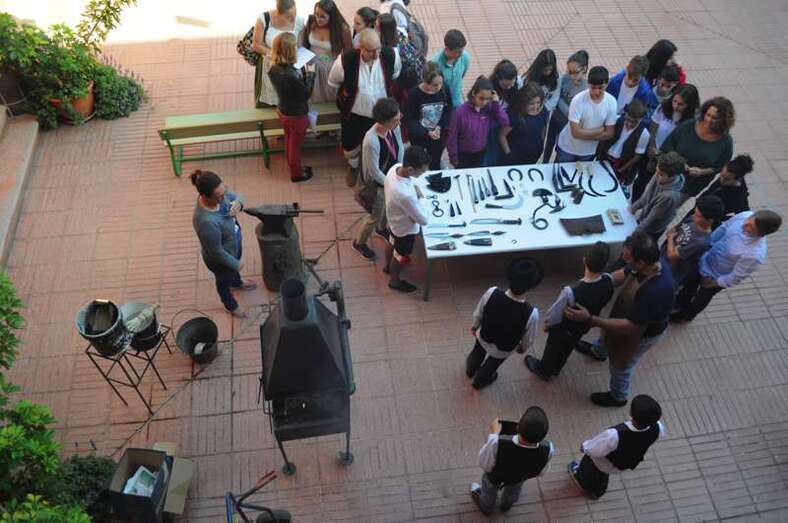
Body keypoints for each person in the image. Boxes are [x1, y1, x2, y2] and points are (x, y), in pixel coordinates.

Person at [569, 232, 674, 407]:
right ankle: (599, 352)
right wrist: (597, 282)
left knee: (621, 365)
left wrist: (591, 319)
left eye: (627, 259)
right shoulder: (648, 263)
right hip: (628, 315)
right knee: (608, 333)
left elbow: (629, 327)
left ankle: (618, 396)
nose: (625, 261)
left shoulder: (654, 291)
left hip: (642, 334)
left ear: (640, 263)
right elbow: (623, 273)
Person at [671, 210, 782, 323]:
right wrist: (707, 245)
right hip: (704, 259)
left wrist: (716, 283)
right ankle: (680, 302)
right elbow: (724, 228)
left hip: (714, 276)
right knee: (689, 283)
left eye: (751, 228)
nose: (745, 224)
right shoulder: (744, 215)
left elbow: (737, 276)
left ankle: (686, 316)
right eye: (749, 220)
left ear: (761, 234)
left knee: (702, 297)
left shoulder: (754, 255)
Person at [525, 242, 614, 381]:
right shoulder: (608, 281)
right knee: (568, 347)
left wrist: (548, 324)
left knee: (553, 349)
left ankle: (544, 370)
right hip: (583, 326)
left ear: (584, 260)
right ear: (606, 264)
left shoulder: (571, 291)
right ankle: (557, 368)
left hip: (563, 329)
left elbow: (555, 312)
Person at [329, 29, 401, 185]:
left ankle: (377, 170)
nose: (376, 54)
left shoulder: (391, 55)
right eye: (370, 51)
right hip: (355, 115)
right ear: (360, 47)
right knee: (350, 143)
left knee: (381, 143)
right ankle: (354, 167)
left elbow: (395, 75)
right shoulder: (345, 60)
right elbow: (333, 82)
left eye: (378, 49)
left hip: (382, 116)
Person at [569, 395, 664, 499]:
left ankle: (581, 480)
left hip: (603, 462)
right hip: (626, 462)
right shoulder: (658, 428)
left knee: (590, 471)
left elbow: (595, 449)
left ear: (631, 413)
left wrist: (585, 447)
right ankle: (598, 492)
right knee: (604, 475)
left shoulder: (614, 434)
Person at [466, 258, 542, 389]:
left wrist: (475, 326)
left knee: (476, 354)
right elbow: (529, 337)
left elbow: (479, 312)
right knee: (492, 365)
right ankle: (479, 382)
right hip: (504, 348)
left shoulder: (492, 292)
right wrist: (523, 347)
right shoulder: (532, 313)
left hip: (484, 336)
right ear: (532, 286)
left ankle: (470, 370)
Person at [190, 170, 256, 318]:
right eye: (219, 196)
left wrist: (238, 203)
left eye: (224, 191)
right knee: (223, 282)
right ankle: (230, 305)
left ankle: (237, 282)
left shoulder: (219, 194)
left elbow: (237, 196)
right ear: (205, 196)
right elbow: (216, 252)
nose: (224, 197)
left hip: (233, 244)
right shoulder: (205, 222)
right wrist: (236, 264)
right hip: (221, 261)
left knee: (233, 271)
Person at [471, 407, 554, 515]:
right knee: (514, 489)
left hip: (495, 476)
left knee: (489, 489)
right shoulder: (548, 448)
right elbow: (541, 471)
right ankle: (506, 504)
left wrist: (494, 434)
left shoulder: (496, 442)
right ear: (543, 436)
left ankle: (486, 507)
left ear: (518, 427)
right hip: (519, 477)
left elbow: (483, 463)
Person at [352, 98, 404, 260]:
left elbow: (400, 147)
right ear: (383, 121)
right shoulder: (371, 140)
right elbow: (374, 172)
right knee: (374, 216)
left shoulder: (394, 127)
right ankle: (359, 242)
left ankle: (381, 229)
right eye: (395, 120)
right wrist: (392, 183)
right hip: (379, 184)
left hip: (391, 178)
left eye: (399, 118)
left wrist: (399, 170)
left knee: (387, 208)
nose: (399, 122)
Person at [660, 96, 735, 206]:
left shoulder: (726, 142)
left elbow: (721, 166)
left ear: (724, 120)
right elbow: (668, 145)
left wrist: (702, 172)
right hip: (669, 176)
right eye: (708, 115)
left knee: (668, 208)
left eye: (715, 118)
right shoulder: (688, 126)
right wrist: (678, 162)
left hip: (691, 185)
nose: (709, 120)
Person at [632, 84, 699, 202]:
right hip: (653, 151)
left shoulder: (692, 122)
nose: (676, 106)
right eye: (675, 101)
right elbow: (653, 128)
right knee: (641, 181)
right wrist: (652, 152)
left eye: (681, 104)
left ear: (689, 105)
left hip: (670, 161)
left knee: (659, 189)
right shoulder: (663, 108)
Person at [383, 145, 430, 293]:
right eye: (421, 171)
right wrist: (422, 197)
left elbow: (411, 185)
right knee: (401, 255)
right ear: (410, 169)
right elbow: (423, 219)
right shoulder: (405, 195)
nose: (423, 173)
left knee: (391, 241)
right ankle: (395, 281)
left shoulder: (394, 169)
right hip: (405, 229)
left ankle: (388, 267)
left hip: (393, 220)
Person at [268, 33, 314, 183]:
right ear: (290, 51)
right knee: (295, 146)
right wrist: (311, 75)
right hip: (297, 115)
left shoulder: (274, 68)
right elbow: (306, 94)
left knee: (289, 140)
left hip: (283, 110)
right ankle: (296, 174)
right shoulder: (290, 75)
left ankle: (294, 166)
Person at [554, 65, 617, 163]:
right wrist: (600, 130)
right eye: (593, 88)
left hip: (588, 152)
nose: (596, 92)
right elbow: (575, 133)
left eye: (601, 88)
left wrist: (583, 133)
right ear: (588, 84)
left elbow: (609, 134)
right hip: (568, 147)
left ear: (607, 84)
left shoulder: (612, 102)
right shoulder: (578, 100)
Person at [446, 76, 509, 169]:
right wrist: (453, 156)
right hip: (463, 154)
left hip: (481, 152)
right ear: (474, 93)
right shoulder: (459, 112)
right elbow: (452, 136)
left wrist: (496, 104)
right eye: (481, 98)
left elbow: (505, 121)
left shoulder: (490, 108)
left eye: (488, 99)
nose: (484, 102)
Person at [661, 195, 725, 288]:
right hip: (662, 258)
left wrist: (670, 238)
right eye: (695, 212)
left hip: (669, 272)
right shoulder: (693, 218)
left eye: (698, 216)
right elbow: (676, 228)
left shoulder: (701, 242)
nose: (694, 216)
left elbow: (672, 256)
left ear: (710, 220)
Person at [252, 0, 305, 107]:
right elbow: (256, 44)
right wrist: (275, 54)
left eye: (295, 14)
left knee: (290, 103)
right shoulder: (264, 19)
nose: (293, 19)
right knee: (268, 104)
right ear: (278, 13)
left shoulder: (299, 22)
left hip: (291, 69)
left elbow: (299, 46)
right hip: (269, 67)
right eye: (288, 16)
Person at [301, 0, 352, 103]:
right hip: (311, 69)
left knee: (330, 101)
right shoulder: (311, 23)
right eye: (316, 14)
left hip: (330, 70)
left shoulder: (343, 29)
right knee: (313, 100)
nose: (318, 19)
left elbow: (348, 53)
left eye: (323, 17)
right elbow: (304, 44)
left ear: (332, 16)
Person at [404, 62, 452, 170]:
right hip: (419, 137)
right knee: (418, 163)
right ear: (425, 81)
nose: (438, 87)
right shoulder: (414, 94)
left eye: (440, 83)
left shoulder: (444, 89)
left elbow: (448, 111)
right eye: (435, 85)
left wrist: (439, 127)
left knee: (435, 162)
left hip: (437, 135)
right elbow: (410, 120)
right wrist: (427, 132)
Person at [543, 50, 588, 162]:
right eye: (569, 72)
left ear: (584, 69)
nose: (572, 76)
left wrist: (559, 102)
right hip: (555, 119)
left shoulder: (585, 89)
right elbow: (555, 96)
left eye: (575, 72)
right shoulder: (565, 78)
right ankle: (545, 162)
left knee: (561, 148)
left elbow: (572, 113)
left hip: (568, 125)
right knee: (549, 144)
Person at [629, 151, 685, 241]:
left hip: (652, 229)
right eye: (656, 171)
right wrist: (630, 210)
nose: (656, 176)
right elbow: (645, 198)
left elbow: (651, 219)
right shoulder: (660, 172)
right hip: (646, 218)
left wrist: (632, 236)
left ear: (672, 176)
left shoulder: (668, 196)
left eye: (661, 175)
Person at [595, 99, 650, 188]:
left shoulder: (644, 134)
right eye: (628, 119)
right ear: (625, 114)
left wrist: (620, 170)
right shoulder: (616, 120)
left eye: (634, 122)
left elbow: (637, 156)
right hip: (605, 158)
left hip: (620, 164)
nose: (630, 124)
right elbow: (603, 139)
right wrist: (598, 156)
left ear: (641, 119)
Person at [690, 154, 753, 222]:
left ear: (738, 179)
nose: (721, 180)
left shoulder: (739, 198)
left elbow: (744, 216)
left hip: (703, 220)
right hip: (697, 209)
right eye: (721, 175)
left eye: (727, 179)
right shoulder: (726, 176)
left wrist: (718, 218)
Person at [500, 83, 549, 166]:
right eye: (531, 103)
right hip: (515, 158)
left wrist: (541, 145)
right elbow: (502, 136)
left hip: (533, 156)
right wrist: (509, 155)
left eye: (538, 102)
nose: (535, 107)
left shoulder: (544, 111)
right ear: (524, 102)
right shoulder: (516, 115)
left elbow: (543, 129)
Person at [484, 60, 520, 166]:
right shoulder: (488, 89)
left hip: (504, 124)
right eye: (505, 85)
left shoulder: (517, 86)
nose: (509, 87)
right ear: (497, 78)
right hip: (489, 124)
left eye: (511, 84)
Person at [431, 29, 471, 108]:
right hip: (441, 103)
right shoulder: (434, 64)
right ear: (447, 49)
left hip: (457, 100)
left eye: (461, 51)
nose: (460, 54)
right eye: (457, 52)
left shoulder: (465, 57)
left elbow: (462, 75)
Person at [522, 49, 560, 113]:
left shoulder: (557, 78)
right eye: (545, 69)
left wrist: (542, 110)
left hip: (545, 111)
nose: (547, 72)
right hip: (529, 110)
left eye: (550, 69)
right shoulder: (529, 78)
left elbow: (555, 99)